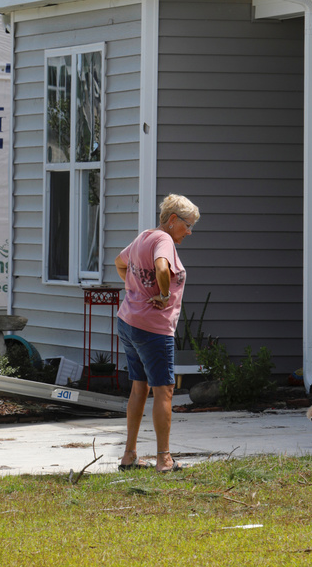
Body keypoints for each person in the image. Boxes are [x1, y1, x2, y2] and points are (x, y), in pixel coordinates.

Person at [114, 193, 200, 473]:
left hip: (128, 321)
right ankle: (164, 460)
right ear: (172, 219)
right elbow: (162, 267)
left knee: (139, 387)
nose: (189, 231)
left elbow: (119, 262)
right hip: (153, 328)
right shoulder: (163, 240)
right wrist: (163, 295)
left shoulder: (144, 236)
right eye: (187, 224)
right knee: (164, 390)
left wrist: (136, 290)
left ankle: (129, 456)